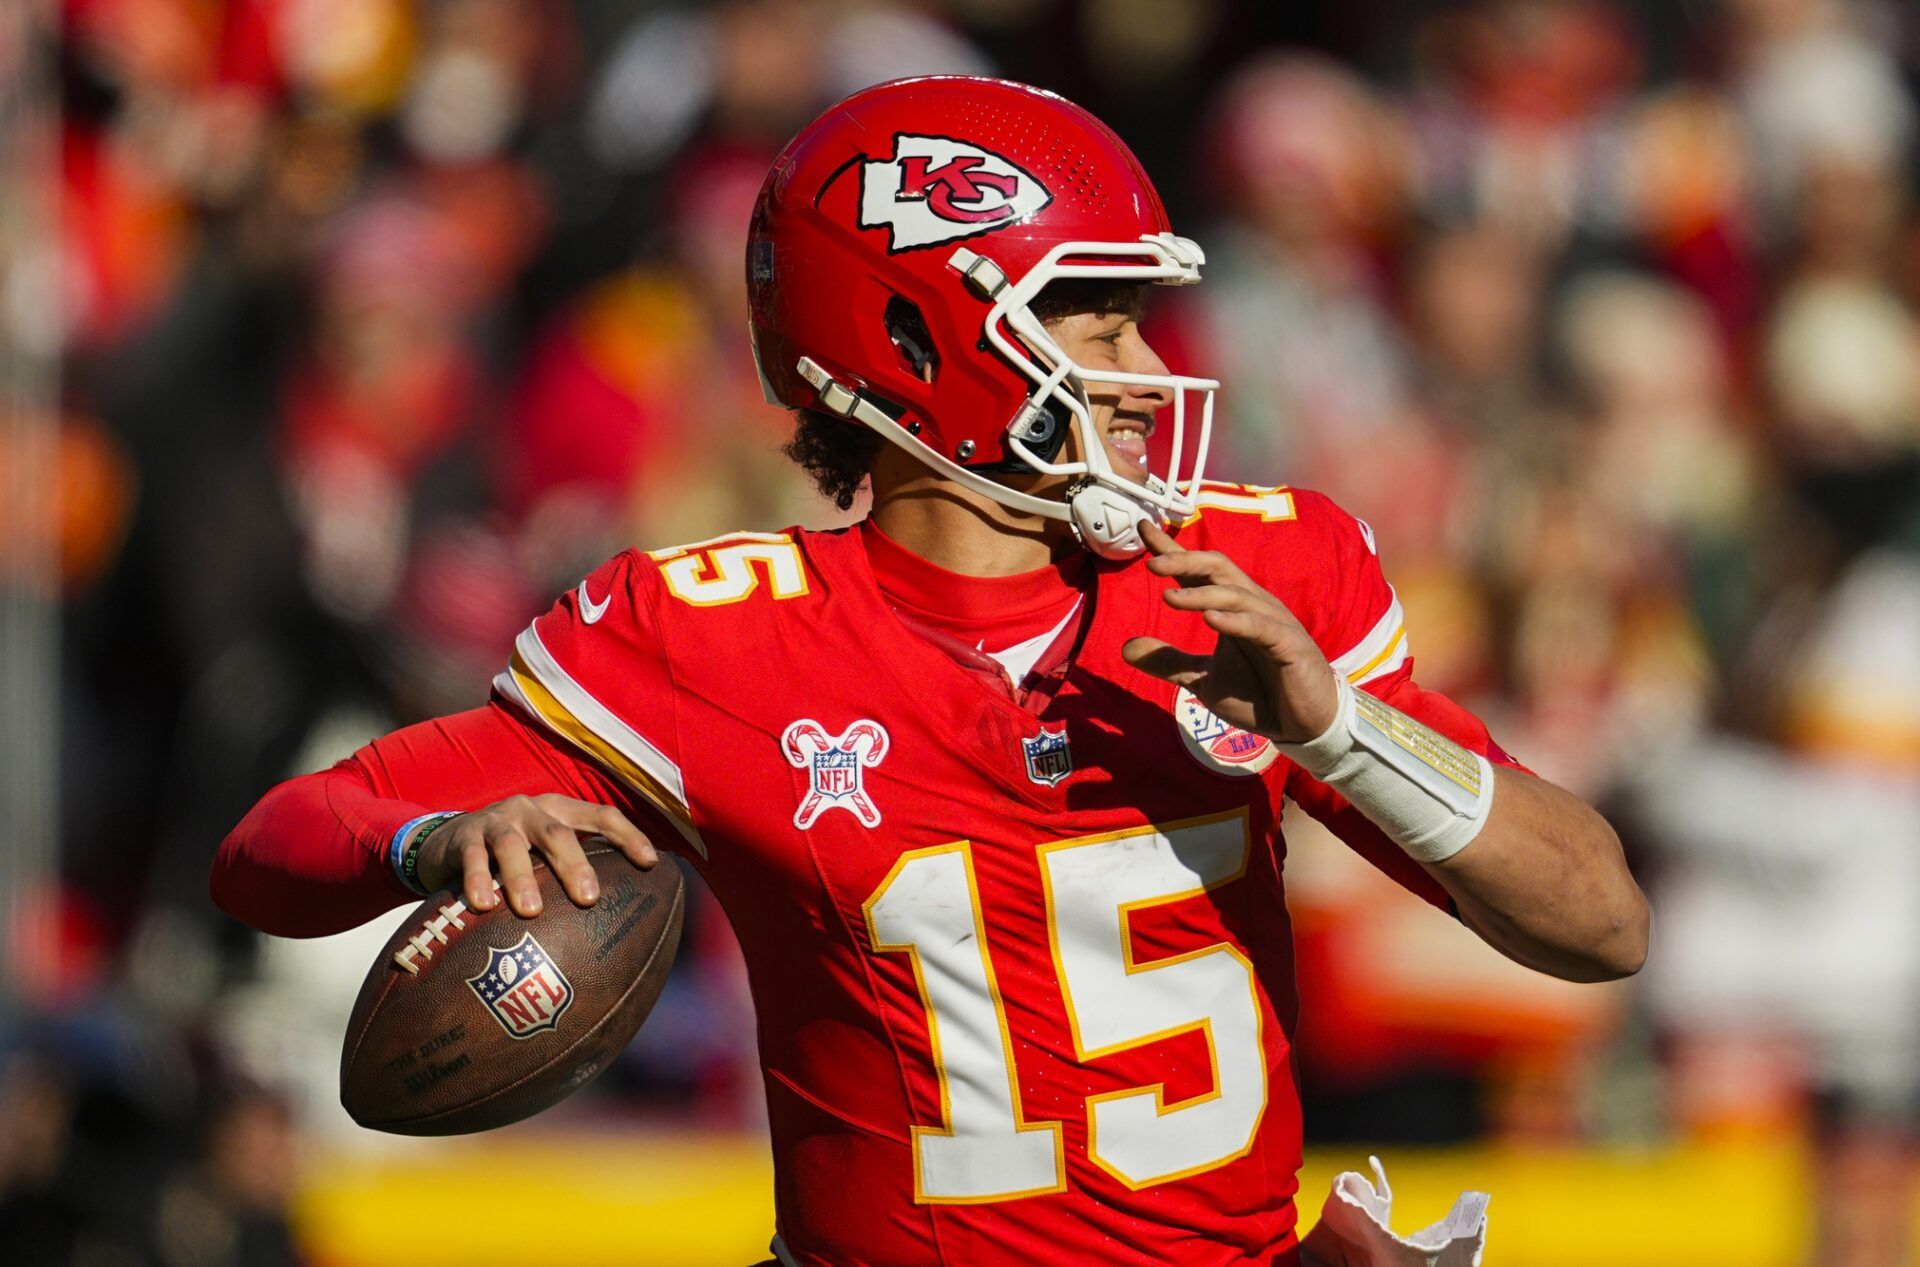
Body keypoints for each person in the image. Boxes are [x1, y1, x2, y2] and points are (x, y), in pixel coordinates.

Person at [211, 77, 1647, 1266]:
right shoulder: (706, 632)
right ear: (918, 341)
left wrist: (1338, 732)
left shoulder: (1264, 574)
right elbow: (273, 853)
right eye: (1097, 322)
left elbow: (1596, 921)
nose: (1149, 367)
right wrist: (438, 838)